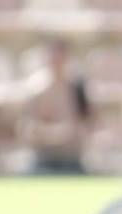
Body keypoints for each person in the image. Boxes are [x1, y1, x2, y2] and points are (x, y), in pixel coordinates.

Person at [18, 39, 90, 174]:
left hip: (72, 159)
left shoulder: (77, 87)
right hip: (44, 159)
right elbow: (26, 129)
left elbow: (88, 121)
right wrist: (54, 133)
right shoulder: (36, 89)